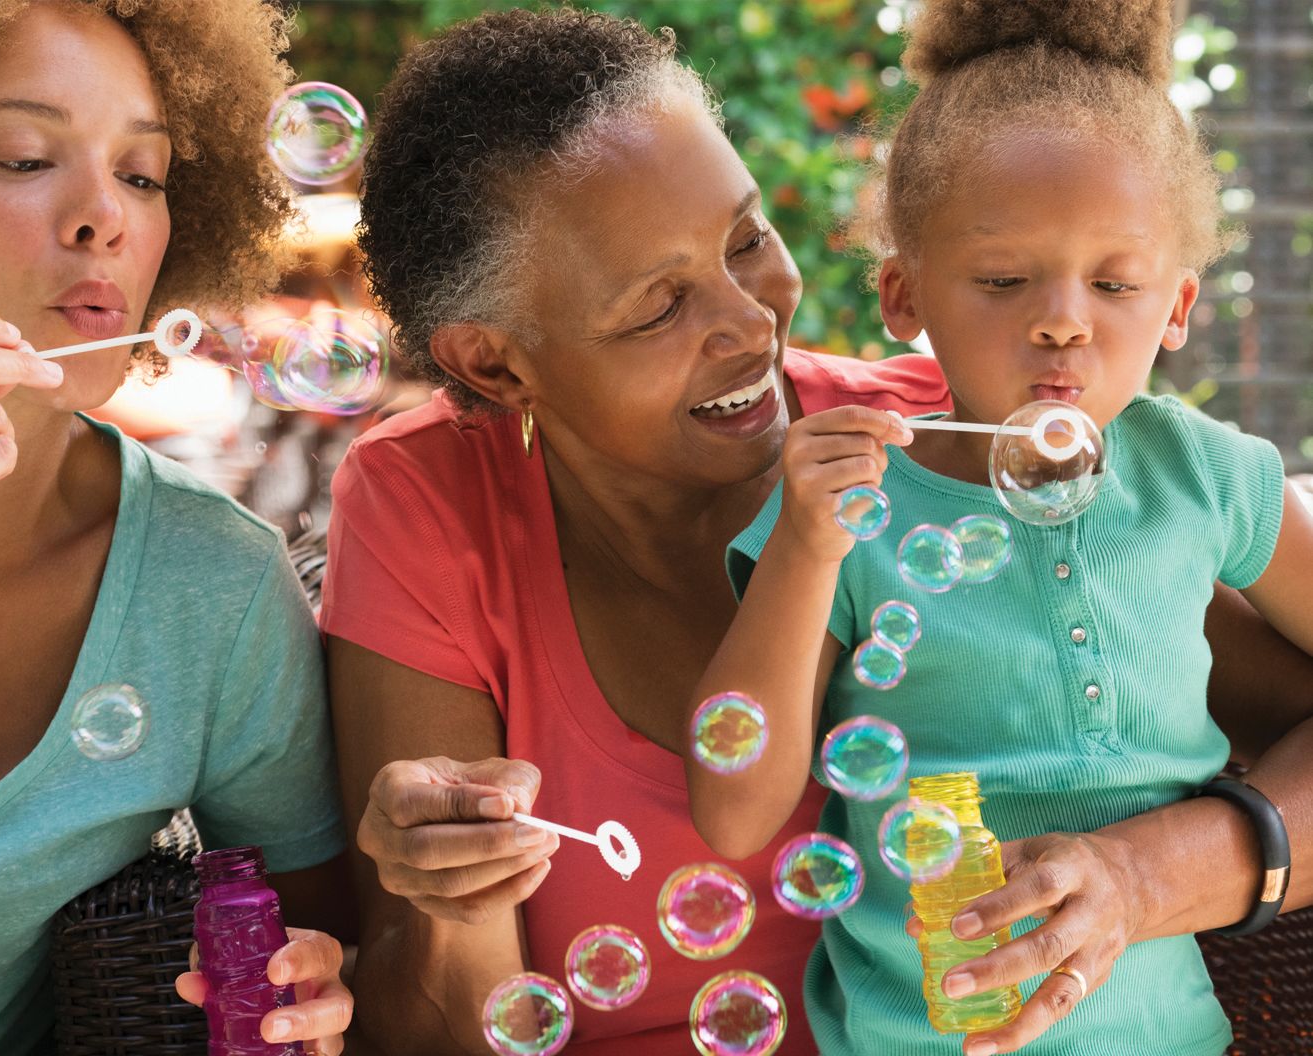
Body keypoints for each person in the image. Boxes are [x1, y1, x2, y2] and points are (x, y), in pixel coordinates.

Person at [324, 8, 1313, 1055]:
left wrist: (1142, 877)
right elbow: (441, 1020)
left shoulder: (964, 451)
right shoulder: (428, 502)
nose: (751, 322)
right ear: (494, 364)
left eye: (747, 240)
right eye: (658, 306)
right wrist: (451, 890)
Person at [695, 2, 1313, 1054]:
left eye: (1114, 283)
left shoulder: (1204, 477)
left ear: (1174, 306)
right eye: (1000, 279)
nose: (1062, 318)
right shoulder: (851, 510)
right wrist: (804, 544)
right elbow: (736, 813)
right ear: (903, 293)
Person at [0, 3, 352, 1054]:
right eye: (28, 157)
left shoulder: (213, 583)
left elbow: (319, 941)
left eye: (142, 174)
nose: (103, 219)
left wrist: (315, 989)